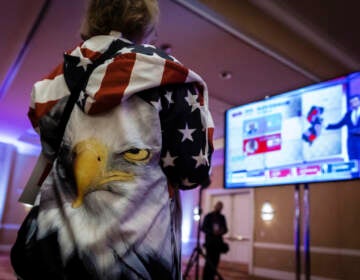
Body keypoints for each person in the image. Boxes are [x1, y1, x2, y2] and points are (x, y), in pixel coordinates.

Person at [10, 0, 214, 279]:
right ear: (145, 22)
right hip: (133, 264)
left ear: (91, 17)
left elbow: (48, 157)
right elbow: (191, 175)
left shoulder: (49, 86)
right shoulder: (172, 79)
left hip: (47, 258)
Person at [326, 95, 360, 160]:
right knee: (353, 161)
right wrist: (326, 126)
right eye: (351, 102)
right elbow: (339, 124)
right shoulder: (348, 114)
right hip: (351, 142)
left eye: (355, 101)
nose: (353, 103)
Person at [201, 201, 228, 280]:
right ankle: (206, 278)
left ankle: (212, 277)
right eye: (218, 206)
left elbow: (226, 229)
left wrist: (221, 231)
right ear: (215, 206)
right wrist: (212, 232)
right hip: (210, 244)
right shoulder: (208, 216)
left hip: (218, 244)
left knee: (216, 263)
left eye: (221, 206)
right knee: (209, 263)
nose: (219, 207)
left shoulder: (222, 217)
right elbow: (203, 228)